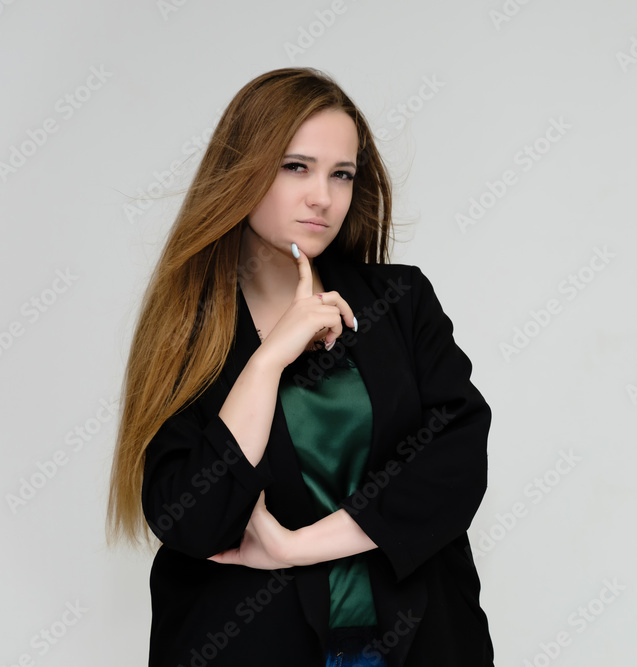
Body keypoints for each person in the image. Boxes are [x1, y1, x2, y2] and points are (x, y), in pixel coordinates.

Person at [106, 67, 494, 666]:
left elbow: (455, 467)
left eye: (342, 174)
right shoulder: (188, 330)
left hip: (417, 644)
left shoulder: (401, 300)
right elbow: (193, 520)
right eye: (296, 167)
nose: (323, 197)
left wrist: (296, 547)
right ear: (243, 170)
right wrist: (268, 361)